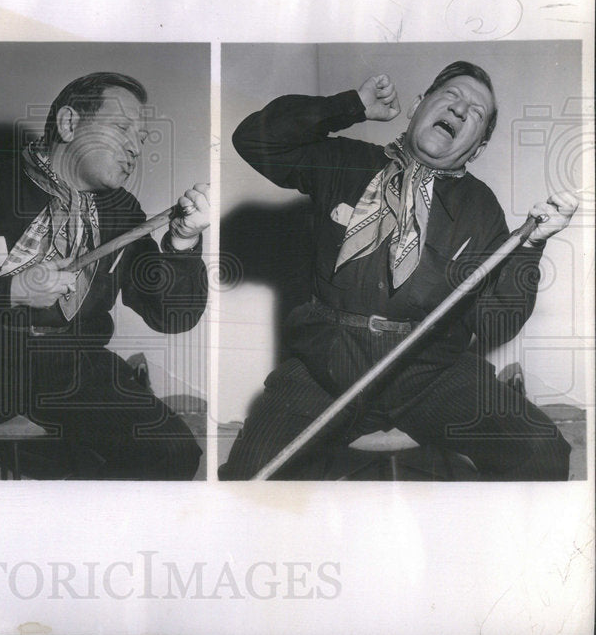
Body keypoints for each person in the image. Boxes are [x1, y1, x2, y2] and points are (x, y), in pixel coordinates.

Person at [220, 61, 578, 481]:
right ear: (417, 105)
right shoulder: (346, 160)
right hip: (325, 366)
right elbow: (253, 141)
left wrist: (531, 247)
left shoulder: (481, 209)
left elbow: (496, 323)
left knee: (543, 454)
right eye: (451, 96)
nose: (461, 111)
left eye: (476, 114)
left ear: (477, 147)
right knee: (248, 477)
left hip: (429, 372)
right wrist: (350, 105)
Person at [0, 72, 210, 480]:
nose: (134, 147)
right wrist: (10, 292)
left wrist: (182, 242)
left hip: (73, 368)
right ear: (69, 124)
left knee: (172, 454)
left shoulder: (123, 212)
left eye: (140, 137)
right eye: (122, 128)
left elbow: (173, 316)